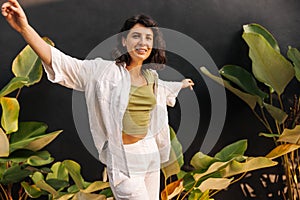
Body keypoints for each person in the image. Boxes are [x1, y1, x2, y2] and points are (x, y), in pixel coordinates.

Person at [2, 0, 194, 199]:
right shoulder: (103, 72)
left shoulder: (151, 77)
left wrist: (180, 85)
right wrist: (24, 28)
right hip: (124, 158)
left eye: (148, 38)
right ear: (123, 41)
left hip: (149, 153)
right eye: (136, 36)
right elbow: (61, 63)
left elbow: (162, 92)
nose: (143, 43)